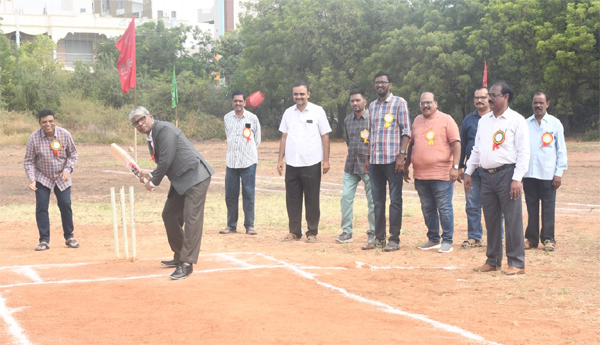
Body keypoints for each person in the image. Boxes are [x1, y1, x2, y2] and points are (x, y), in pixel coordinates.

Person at [130, 106, 214, 280]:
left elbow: (167, 159)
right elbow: (164, 161)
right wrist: (150, 175)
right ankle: (179, 255)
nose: (140, 124)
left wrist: (153, 181)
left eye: (142, 119)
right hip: (180, 179)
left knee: (192, 220)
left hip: (195, 177)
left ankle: (186, 264)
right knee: (169, 215)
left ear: (150, 117)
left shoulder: (164, 129)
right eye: (135, 123)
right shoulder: (151, 136)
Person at [465, 82, 530, 275]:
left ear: (506, 97)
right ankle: (492, 260)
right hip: (486, 176)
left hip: (508, 175)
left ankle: (516, 262)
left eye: (494, 95)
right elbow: (477, 149)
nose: (490, 99)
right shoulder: (484, 121)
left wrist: (517, 178)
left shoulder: (516, 120)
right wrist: (468, 171)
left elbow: (524, 152)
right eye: (489, 95)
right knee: (491, 219)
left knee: (512, 220)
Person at [404, 92, 461, 253]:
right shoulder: (416, 121)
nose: (425, 106)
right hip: (421, 175)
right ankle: (433, 239)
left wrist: (455, 167)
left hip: (442, 174)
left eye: (429, 102)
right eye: (422, 103)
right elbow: (412, 145)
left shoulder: (446, 119)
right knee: (427, 207)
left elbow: (456, 144)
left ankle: (447, 240)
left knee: (444, 207)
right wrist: (407, 165)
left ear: (436, 103)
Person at [362, 71, 411, 252]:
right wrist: (368, 157)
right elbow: (371, 134)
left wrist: (402, 155)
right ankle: (379, 238)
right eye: (377, 82)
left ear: (390, 84)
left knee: (395, 200)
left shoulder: (399, 103)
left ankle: (394, 240)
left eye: (383, 82)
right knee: (377, 201)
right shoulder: (372, 107)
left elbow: (406, 131)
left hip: (393, 161)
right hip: (375, 161)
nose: (379, 85)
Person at [277, 82, 332, 243]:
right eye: (296, 94)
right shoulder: (288, 113)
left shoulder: (318, 111)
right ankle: (294, 232)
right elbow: (284, 137)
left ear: (308, 94)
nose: (298, 97)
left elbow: (325, 136)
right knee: (292, 199)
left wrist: (326, 160)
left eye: (302, 94)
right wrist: (280, 159)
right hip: (292, 163)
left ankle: (312, 232)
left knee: (312, 199)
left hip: (311, 162)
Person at [24, 108, 79, 251]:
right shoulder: (33, 138)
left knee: (65, 204)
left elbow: (73, 154)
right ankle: (44, 240)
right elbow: (29, 161)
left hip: (62, 177)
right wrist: (31, 178)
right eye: (44, 122)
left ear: (55, 121)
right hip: (42, 177)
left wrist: (68, 170)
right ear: (39, 123)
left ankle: (69, 237)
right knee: (42, 207)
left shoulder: (65, 134)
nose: (48, 124)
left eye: (50, 121)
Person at [523, 91, 567, 251]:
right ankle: (532, 239)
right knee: (531, 208)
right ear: (532, 104)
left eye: (541, 102)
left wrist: (558, 173)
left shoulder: (555, 124)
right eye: (535, 102)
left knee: (548, 207)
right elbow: (521, 149)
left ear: (547, 104)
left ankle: (548, 239)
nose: (538, 105)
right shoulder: (525, 124)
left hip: (548, 174)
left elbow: (561, 150)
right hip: (529, 174)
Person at [219, 91, 261, 236]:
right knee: (230, 195)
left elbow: (257, 139)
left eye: (240, 101)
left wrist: (247, 151)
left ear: (244, 102)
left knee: (248, 194)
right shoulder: (227, 118)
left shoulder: (252, 118)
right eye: (235, 101)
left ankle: (249, 226)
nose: (238, 103)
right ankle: (231, 225)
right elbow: (228, 136)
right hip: (231, 162)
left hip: (248, 161)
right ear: (232, 102)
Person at [337, 89, 375, 243]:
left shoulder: (372, 119)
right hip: (351, 166)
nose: (355, 103)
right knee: (346, 198)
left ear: (365, 101)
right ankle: (346, 232)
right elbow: (348, 142)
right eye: (352, 101)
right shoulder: (347, 120)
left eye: (358, 100)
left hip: (369, 167)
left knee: (372, 201)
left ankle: (373, 232)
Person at [458, 87, 489, 248]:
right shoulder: (468, 120)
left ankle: (498, 236)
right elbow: (462, 144)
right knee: (472, 203)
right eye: (477, 98)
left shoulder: (495, 118)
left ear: (489, 98)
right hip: (472, 170)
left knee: (494, 205)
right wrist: (460, 167)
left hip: (492, 169)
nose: (479, 101)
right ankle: (474, 236)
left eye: (483, 97)